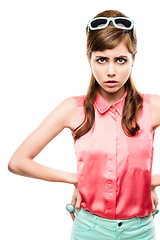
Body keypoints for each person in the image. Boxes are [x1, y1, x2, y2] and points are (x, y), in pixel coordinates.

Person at [8, 9, 160, 240]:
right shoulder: (72, 109)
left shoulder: (152, 107)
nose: (111, 71)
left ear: (134, 59)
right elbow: (18, 162)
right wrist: (77, 179)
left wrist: (149, 181)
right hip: (89, 229)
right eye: (101, 59)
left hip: (140, 230)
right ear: (88, 58)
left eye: (120, 60)